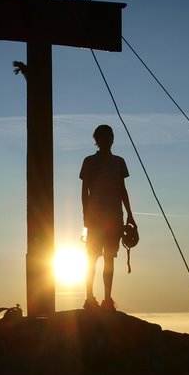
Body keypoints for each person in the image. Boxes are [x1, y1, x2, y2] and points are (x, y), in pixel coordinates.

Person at [80, 124, 135, 311]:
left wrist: (130, 215)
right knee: (92, 258)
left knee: (108, 258)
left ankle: (107, 299)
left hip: (114, 218)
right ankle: (90, 298)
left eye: (108, 137)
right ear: (97, 140)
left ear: (112, 139)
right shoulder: (89, 161)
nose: (105, 141)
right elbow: (84, 192)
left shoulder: (119, 162)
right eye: (102, 137)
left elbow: (122, 190)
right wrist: (85, 217)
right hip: (96, 219)